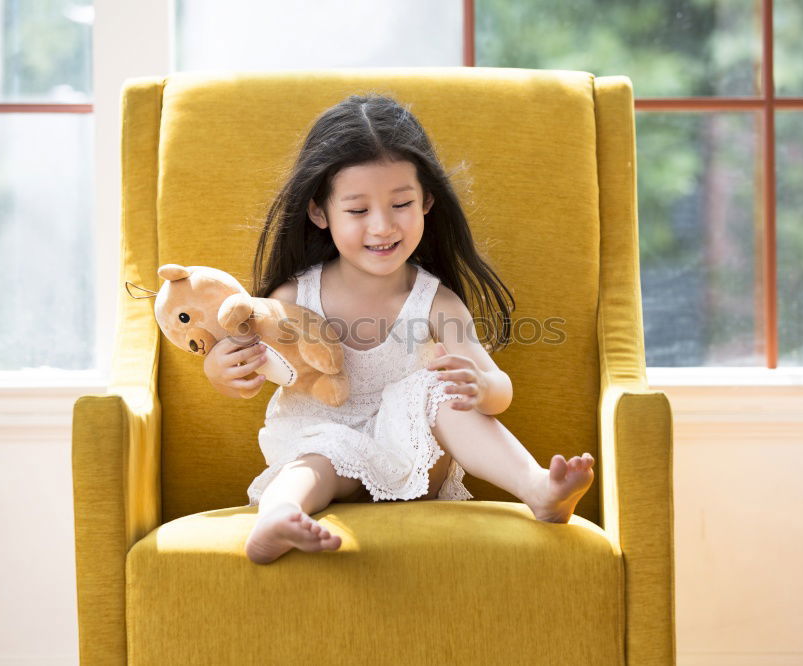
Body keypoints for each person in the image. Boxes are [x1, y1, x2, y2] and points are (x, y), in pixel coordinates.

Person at [203, 93, 596, 565]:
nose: (383, 226)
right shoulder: (291, 300)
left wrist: (481, 387)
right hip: (325, 448)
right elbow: (261, 366)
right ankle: (280, 515)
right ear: (319, 213)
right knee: (318, 456)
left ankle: (538, 488)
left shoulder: (435, 302)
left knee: (436, 389)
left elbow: (499, 390)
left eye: (401, 203)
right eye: (357, 210)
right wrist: (223, 370)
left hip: (411, 456)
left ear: (427, 201)